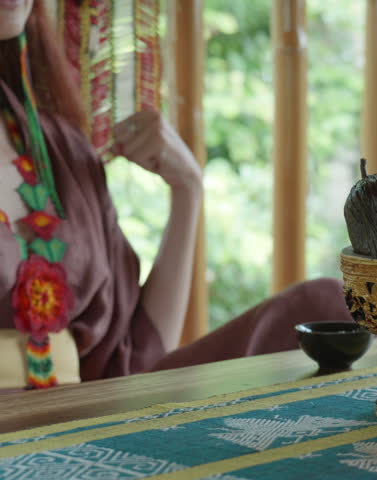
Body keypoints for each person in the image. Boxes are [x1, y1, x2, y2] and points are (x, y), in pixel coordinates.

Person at [0, 0, 351, 390]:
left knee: (327, 305)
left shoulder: (59, 147)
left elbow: (137, 352)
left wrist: (188, 190)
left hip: (84, 417)